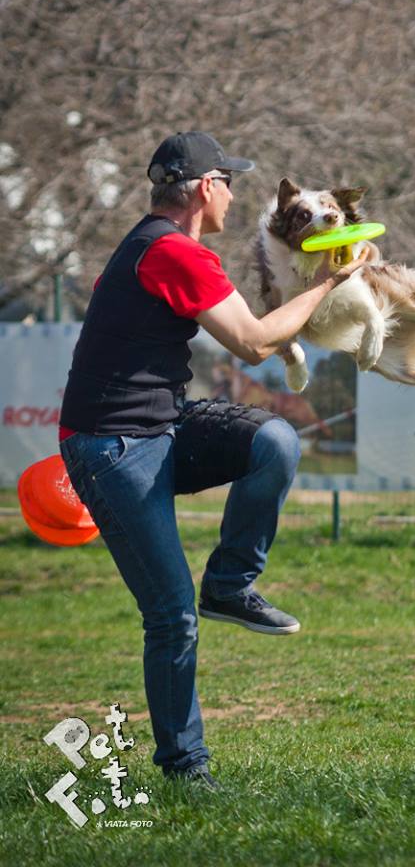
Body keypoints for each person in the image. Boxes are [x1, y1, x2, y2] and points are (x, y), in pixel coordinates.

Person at [58, 131, 368, 792]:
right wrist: (335, 280)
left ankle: (228, 584)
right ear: (206, 188)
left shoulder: (165, 247)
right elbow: (255, 343)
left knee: (275, 441)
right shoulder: (169, 250)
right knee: (170, 614)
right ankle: (185, 770)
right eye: (229, 181)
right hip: (113, 448)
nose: (235, 195)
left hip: (161, 429)